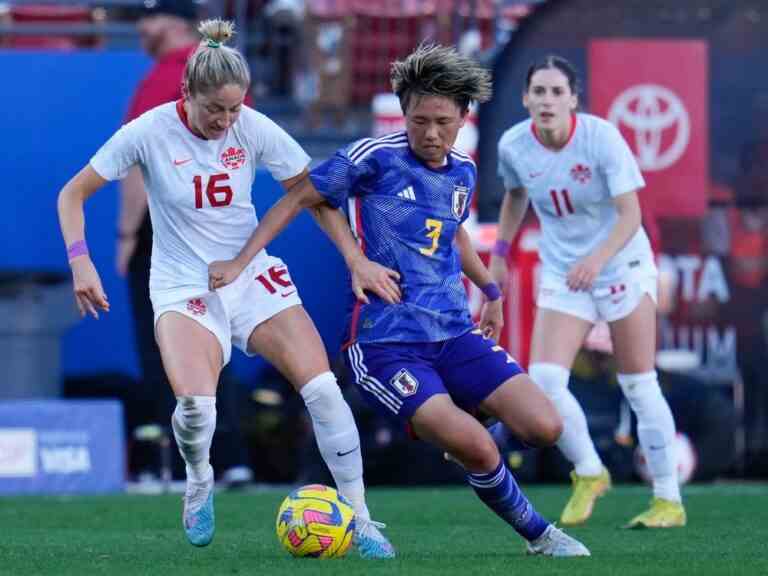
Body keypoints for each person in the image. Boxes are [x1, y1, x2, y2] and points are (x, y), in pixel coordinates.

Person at [207, 43, 590, 556]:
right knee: (480, 449)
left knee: (546, 426)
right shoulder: (376, 158)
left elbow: (451, 234)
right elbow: (302, 196)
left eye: (443, 122)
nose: (430, 133)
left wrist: (492, 291)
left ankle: (462, 423)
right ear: (404, 116)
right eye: (418, 121)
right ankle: (539, 535)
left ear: (463, 119)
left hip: (454, 333)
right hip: (386, 344)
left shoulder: (463, 171)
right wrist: (244, 262)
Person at [57, 19, 394, 558]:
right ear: (187, 95)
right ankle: (198, 481)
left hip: (251, 275)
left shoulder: (253, 128)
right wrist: (82, 264)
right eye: (217, 109)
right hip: (181, 283)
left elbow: (315, 194)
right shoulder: (148, 131)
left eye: (235, 109)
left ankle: (363, 520)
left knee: (323, 389)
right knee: (197, 410)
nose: (226, 120)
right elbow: (72, 195)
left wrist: (355, 258)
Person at [491, 55, 686, 528]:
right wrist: (499, 253)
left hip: (621, 263)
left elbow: (630, 214)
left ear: (573, 99)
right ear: (525, 98)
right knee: (545, 381)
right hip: (564, 272)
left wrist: (596, 260)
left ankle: (667, 499)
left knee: (638, 384)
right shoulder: (514, 145)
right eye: (539, 91)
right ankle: (590, 472)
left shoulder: (601, 138)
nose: (547, 101)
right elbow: (516, 195)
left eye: (557, 92)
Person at [117, 0, 252, 487]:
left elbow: (136, 168)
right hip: (219, 234)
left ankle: (159, 464)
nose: (141, 28)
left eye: (147, 17)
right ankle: (231, 456)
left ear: (171, 21)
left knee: (162, 344)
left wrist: (127, 234)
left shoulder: (162, 79)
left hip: (165, 233)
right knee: (215, 345)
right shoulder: (229, 75)